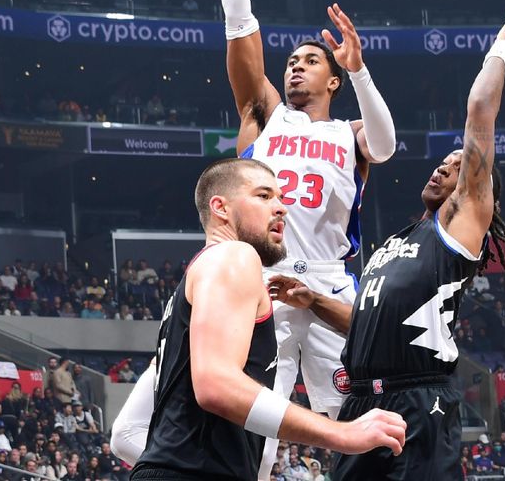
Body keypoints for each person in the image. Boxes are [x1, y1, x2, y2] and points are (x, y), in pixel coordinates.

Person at [270, 8, 505, 480]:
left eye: (454, 167)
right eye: (442, 164)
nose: (443, 169)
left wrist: (501, 48)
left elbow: (480, 110)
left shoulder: (458, 230)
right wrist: (313, 301)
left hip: (419, 397)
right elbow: (368, 325)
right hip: (365, 401)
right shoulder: (394, 244)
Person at [203, 0, 396, 475]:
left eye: (310, 60)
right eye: (291, 61)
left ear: (333, 79)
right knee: (254, 429)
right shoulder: (264, 113)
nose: (294, 65)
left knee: (357, 424)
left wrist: (361, 71)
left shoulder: (350, 133)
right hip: (264, 280)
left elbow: (386, 148)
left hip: (333, 288)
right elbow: (240, 22)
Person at [131, 159, 405, 481]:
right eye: (264, 196)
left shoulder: (198, 279)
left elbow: (132, 430)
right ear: (220, 207)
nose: (281, 209)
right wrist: (341, 434)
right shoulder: (234, 256)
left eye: (280, 198)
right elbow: (216, 385)